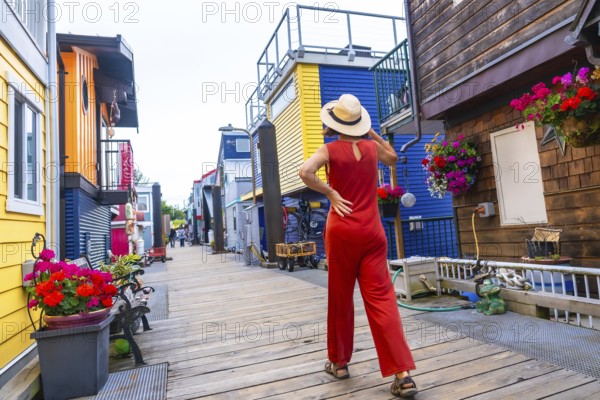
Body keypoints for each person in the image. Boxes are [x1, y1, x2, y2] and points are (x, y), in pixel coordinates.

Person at [299, 94, 418, 398]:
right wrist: (371, 132)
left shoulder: (329, 149)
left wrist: (330, 193)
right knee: (383, 300)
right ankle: (402, 375)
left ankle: (339, 364)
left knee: (340, 298)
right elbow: (393, 157)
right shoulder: (371, 148)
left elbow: (305, 171)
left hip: (342, 233)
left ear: (334, 123)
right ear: (359, 123)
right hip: (372, 233)